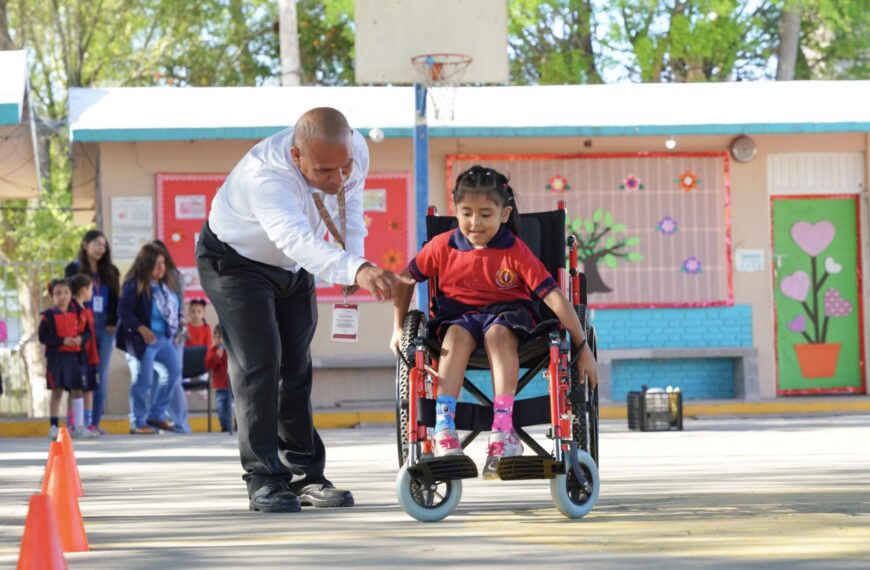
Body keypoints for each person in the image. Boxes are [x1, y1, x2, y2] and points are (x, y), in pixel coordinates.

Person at [196, 107, 413, 513]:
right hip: (237, 263)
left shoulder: (354, 152)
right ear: (297, 158)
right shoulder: (266, 176)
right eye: (325, 171)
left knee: (296, 365)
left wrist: (354, 261)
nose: (339, 178)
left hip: (294, 267)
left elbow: (351, 212)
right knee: (261, 363)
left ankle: (305, 474)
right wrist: (358, 268)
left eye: (344, 166)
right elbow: (294, 238)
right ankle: (263, 479)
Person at [391, 165, 599, 479]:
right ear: (456, 211)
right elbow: (405, 279)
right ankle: (444, 427)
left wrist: (582, 346)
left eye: (485, 214)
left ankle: (503, 429)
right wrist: (397, 327)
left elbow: (554, 297)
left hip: (509, 319)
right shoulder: (442, 245)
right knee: (456, 335)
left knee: (498, 334)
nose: (475, 223)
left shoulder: (515, 250)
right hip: (457, 319)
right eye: (467, 213)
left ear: (504, 214)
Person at [117, 243, 184, 435]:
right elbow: (124, 311)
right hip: (142, 341)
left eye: (163, 263)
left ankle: (156, 414)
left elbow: (175, 307)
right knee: (143, 381)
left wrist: (179, 323)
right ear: (145, 264)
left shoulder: (166, 284)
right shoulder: (134, 284)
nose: (161, 268)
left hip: (164, 339)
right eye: (156, 264)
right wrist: (141, 328)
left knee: (173, 372)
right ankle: (138, 422)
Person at [65, 230, 120, 435]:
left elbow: (116, 298)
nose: (101, 249)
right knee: (78, 372)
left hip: (105, 324)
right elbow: (68, 297)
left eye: (104, 245)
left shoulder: (111, 271)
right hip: (82, 322)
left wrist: (113, 321)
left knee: (100, 373)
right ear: (85, 244)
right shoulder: (74, 268)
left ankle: (93, 422)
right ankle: (75, 422)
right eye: (97, 244)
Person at [38, 278, 91, 439]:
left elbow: (87, 332)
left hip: (74, 357)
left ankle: (78, 426)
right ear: (52, 296)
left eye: (66, 292)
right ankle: (53, 426)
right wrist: (62, 340)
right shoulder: (47, 316)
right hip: (57, 359)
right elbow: (43, 337)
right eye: (58, 293)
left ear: (71, 294)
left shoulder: (78, 314)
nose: (62, 296)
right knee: (57, 391)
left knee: (77, 390)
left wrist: (81, 339)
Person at [152, 239, 191, 433]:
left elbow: (179, 306)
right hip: (151, 338)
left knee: (173, 379)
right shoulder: (144, 281)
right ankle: (158, 421)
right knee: (153, 380)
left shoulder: (175, 276)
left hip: (173, 336)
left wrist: (179, 330)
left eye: (161, 260)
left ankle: (180, 423)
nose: (158, 265)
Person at [70, 274, 101, 437]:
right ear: (83, 290)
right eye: (90, 289)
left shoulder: (86, 309)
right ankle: (75, 423)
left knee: (89, 388)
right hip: (79, 355)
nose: (92, 292)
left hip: (90, 354)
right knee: (76, 388)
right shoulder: (73, 310)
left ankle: (87, 423)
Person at [205, 324, 232, 432]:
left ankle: (234, 425)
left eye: (223, 338)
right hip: (220, 386)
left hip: (231, 386)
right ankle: (224, 426)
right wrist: (217, 356)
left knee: (232, 408)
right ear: (214, 338)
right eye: (218, 337)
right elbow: (208, 365)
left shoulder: (230, 350)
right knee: (221, 408)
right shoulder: (213, 351)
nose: (221, 340)